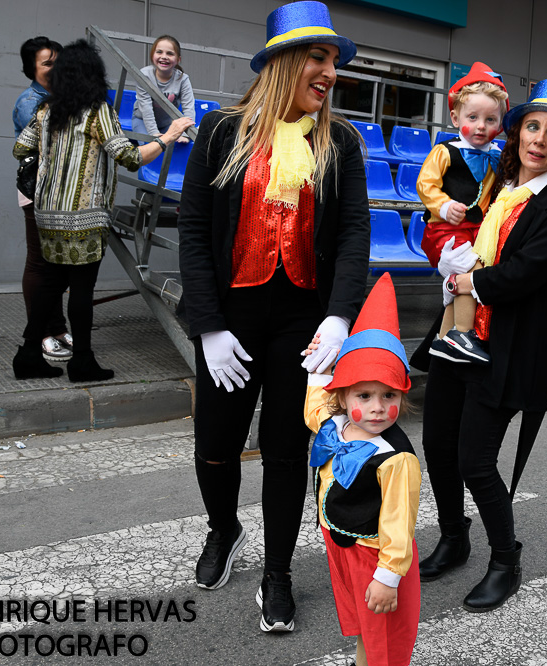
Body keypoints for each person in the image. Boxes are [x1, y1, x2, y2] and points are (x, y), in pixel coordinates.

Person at [176, 1, 369, 634]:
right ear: (284, 62)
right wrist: (208, 324)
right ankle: (223, 529)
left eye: (334, 61)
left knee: (287, 451)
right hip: (232, 314)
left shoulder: (340, 140)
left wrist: (340, 317)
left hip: (301, 321)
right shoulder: (219, 131)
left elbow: (352, 235)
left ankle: (278, 572)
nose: (330, 72)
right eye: (319, 58)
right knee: (215, 446)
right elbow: (196, 232)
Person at [417, 79, 547, 613]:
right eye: (533, 126)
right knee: (439, 447)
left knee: (475, 461)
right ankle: (453, 535)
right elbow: (453, 232)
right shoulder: (500, 184)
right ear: (519, 132)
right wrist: (451, 270)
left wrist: (470, 282)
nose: (540, 139)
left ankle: (505, 560)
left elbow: (525, 273)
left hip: (508, 350)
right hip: (459, 334)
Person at [12, 40, 193, 382]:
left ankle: (27, 355)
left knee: (50, 285)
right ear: (93, 75)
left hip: (47, 213)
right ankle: (82, 362)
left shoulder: (46, 111)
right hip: (85, 216)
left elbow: (20, 148)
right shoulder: (98, 112)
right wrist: (168, 135)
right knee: (81, 289)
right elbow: (131, 157)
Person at [304, 274, 420, 666]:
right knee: (362, 625)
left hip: (375, 554)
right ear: (343, 394)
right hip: (341, 544)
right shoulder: (334, 423)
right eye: (364, 395)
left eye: (388, 395)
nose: (376, 407)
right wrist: (318, 365)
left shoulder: (396, 457)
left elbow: (399, 524)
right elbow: (315, 405)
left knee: (382, 633)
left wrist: (388, 578)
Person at [417, 62, 508, 364]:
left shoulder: (497, 157)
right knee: (469, 275)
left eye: (490, 119)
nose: (481, 126)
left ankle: (443, 339)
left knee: (471, 276)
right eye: (473, 117)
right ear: (456, 118)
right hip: (444, 231)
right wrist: (443, 204)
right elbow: (425, 183)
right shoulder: (445, 151)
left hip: (476, 231)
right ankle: (463, 334)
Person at [14, 36, 72, 363]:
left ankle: (58, 327)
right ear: (32, 68)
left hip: (61, 195)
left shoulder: (60, 98)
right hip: (38, 193)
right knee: (39, 263)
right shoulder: (30, 103)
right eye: (47, 63)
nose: (55, 68)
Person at [132, 35, 195, 143]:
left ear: (178, 59)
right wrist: (154, 133)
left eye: (170, 53)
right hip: (142, 121)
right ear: (152, 55)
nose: (164, 56)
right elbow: (146, 107)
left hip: (167, 123)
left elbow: (188, 108)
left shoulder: (183, 79)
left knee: (178, 146)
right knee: (149, 146)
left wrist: (185, 134)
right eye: (159, 52)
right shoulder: (144, 75)